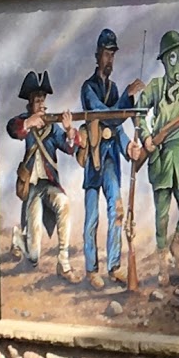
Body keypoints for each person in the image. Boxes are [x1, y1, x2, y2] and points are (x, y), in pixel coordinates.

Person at [128, 30, 179, 281]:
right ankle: (162, 263)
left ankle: (177, 245)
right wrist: (147, 136)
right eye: (172, 57)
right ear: (164, 61)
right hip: (160, 160)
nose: (177, 62)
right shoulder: (156, 88)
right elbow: (138, 113)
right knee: (161, 217)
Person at [6, 70, 79, 281]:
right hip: (32, 189)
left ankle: (63, 260)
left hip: (49, 185)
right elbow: (13, 129)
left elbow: (68, 148)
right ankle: (19, 238)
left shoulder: (52, 126)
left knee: (64, 202)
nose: (40, 103)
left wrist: (70, 132)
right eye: (36, 99)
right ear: (30, 102)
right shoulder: (23, 121)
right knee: (34, 256)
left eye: (42, 99)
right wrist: (29, 123)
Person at [78, 27, 130, 290]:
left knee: (116, 212)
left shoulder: (115, 88)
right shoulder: (88, 88)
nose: (109, 59)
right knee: (91, 218)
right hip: (93, 159)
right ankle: (91, 269)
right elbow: (104, 114)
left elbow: (118, 127)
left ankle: (114, 266)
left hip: (111, 161)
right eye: (106, 53)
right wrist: (127, 99)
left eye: (112, 54)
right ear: (97, 55)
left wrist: (129, 148)